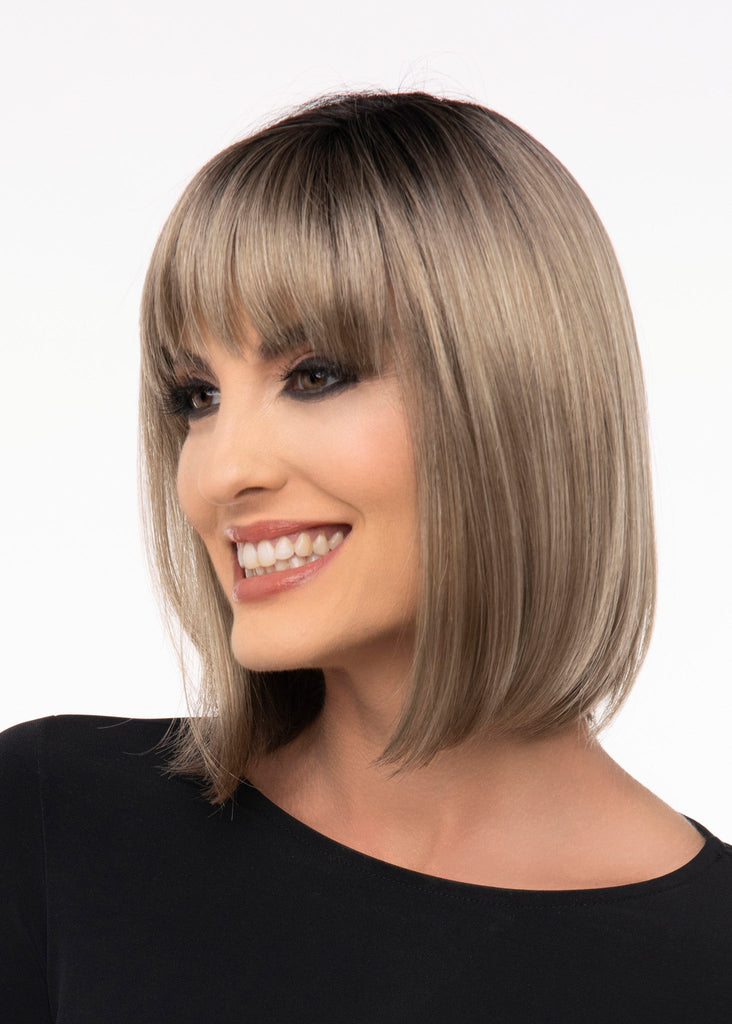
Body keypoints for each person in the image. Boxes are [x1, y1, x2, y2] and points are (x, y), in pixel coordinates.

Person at [1, 91, 730, 1023]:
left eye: (314, 376)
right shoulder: (60, 829)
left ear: (515, 404)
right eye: (197, 397)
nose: (220, 473)